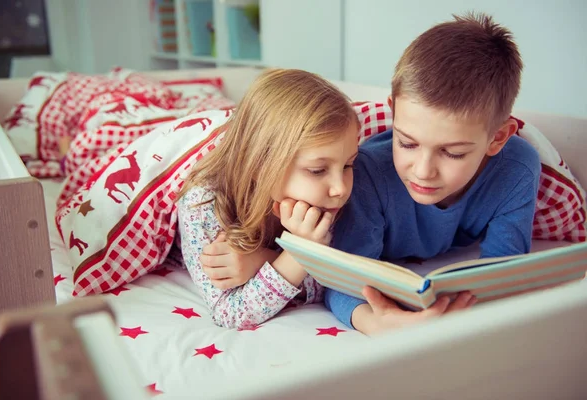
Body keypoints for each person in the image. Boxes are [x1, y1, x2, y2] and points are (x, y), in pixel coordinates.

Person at [324, 12, 541, 335]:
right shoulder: (368, 173)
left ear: (497, 138)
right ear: (394, 112)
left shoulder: (517, 169)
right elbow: (342, 276)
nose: (423, 172)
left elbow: (501, 271)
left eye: (452, 152)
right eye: (407, 143)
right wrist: (373, 322)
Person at [176, 68, 360, 329]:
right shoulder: (203, 202)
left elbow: (335, 280)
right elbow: (231, 313)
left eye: (348, 165)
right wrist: (301, 255)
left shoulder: (322, 200)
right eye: (317, 170)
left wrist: (264, 259)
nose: (340, 188)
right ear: (262, 164)